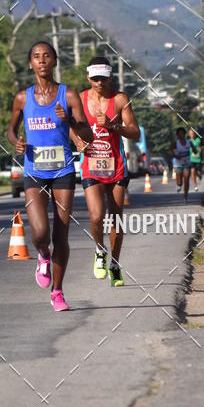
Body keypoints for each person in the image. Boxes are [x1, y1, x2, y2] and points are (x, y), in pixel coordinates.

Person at [7, 41, 93, 311]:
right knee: (40, 234)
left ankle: (57, 291)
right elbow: (10, 130)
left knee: (61, 235)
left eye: (47, 56)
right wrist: (16, 142)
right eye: (36, 56)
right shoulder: (23, 98)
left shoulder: (69, 96)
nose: (42, 60)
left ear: (55, 61)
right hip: (34, 171)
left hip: (63, 171)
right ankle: (43, 256)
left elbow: (87, 134)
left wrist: (67, 121)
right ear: (30, 63)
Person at [71, 57, 139, 287]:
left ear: (111, 77)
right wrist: (77, 142)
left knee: (116, 220)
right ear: (88, 77)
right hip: (91, 165)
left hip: (116, 167)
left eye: (104, 77)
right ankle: (100, 251)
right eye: (95, 78)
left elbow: (135, 132)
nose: (100, 82)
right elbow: (70, 127)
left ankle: (115, 264)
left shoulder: (120, 100)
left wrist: (113, 126)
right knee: (96, 216)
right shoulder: (80, 100)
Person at [171, 127, 191, 201]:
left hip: (187, 163)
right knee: (179, 182)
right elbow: (171, 150)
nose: (180, 135)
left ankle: (185, 195)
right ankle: (178, 185)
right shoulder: (175, 143)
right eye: (179, 134)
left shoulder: (189, 142)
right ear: (177, 135)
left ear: (184, 134)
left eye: (182, 133)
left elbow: (194, 149)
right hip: (178, 164)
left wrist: (196, 150)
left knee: (186, 179)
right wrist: (175, 155)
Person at [188, 127, 203, 192]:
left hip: (198, 159)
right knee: (193, 172)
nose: (192, 135)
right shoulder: (188, 141)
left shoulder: (198, 140)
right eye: (191, 134)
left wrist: (201, 148)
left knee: (198, 173)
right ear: (189, 134)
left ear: (195, 134)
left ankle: (199, 174)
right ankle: (195, 186)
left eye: (193, 133)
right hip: (191, 159)